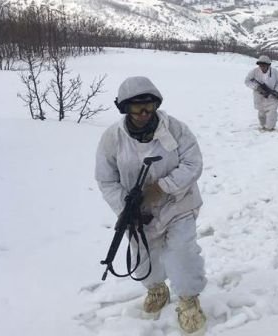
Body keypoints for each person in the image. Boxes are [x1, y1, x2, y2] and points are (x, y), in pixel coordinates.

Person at [95, 76, 207, 335]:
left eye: (149, 106)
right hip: (138, 212)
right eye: (137, 108)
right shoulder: (112, 138)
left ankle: (189, 300)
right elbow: (106, 179)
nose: (144, 113)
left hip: (178, 202)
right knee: (145, 253)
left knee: (181, 251)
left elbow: (193, 164)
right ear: (124, 108)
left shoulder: (176, 129)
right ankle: (156, 289)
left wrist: (161, 187)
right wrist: (127, 207)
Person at [244, 55, 278, 131]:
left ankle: (270, 128)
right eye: (260, 65)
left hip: (272, 96)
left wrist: (276, 91)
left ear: (268, 65)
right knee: (261, 113)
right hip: (259, 96)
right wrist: (256, 87)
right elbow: (247, 81)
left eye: (264, 65)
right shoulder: (254, 71)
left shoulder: (275, 72)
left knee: (272, 112)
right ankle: (263, 126)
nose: (262, 67)